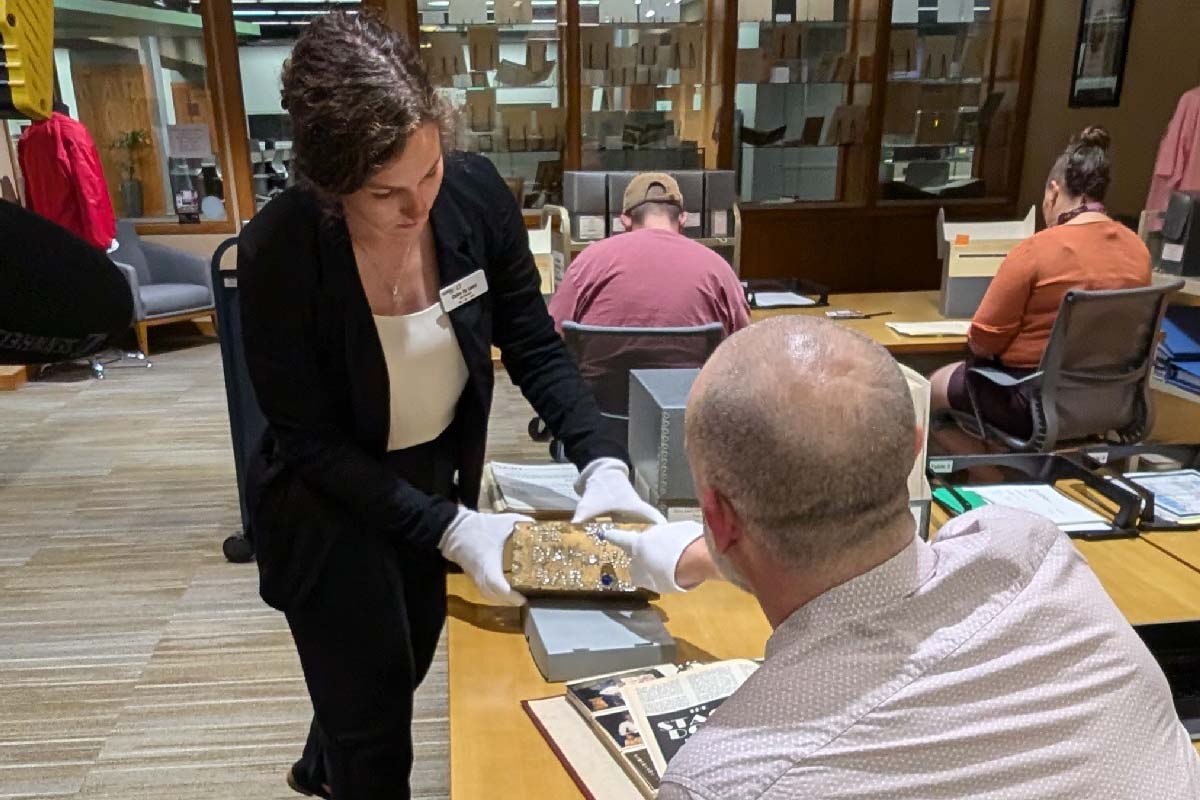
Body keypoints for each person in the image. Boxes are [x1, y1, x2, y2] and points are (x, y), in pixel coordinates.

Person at [237, 12, 664, 800]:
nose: (416, 207)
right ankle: (343, 750)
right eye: (384, 192)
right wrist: (454, 530)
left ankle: (323, 746)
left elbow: (532, 340)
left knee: (404, 660)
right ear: (331, 184)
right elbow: (307, 441)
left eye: (427, 172)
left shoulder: (471, 197)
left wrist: (597, 454)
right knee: (377, 737)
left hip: (433, 472)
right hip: (327, 496)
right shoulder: (282, 252)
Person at [607, 316, 1200, 800]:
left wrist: (724, 543)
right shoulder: (1027, 546)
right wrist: (713, 551)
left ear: (716, 518)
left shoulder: (722, 781)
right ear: (916, 446)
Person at [929, 126, 1151, 448]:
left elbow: (983, 342)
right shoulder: (1138, 250)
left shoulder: (1037, 250)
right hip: (1114, 402)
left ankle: (991, 478)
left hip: (1033, 405)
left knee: (934, 387)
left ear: (1053, 191)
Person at [547, 172, 749, 336]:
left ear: (624, 219)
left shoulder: (588, 262)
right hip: (687, 386)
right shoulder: (717, 268)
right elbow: (742, 344)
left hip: (604, 387)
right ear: (683, 218)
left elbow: (554, 333)